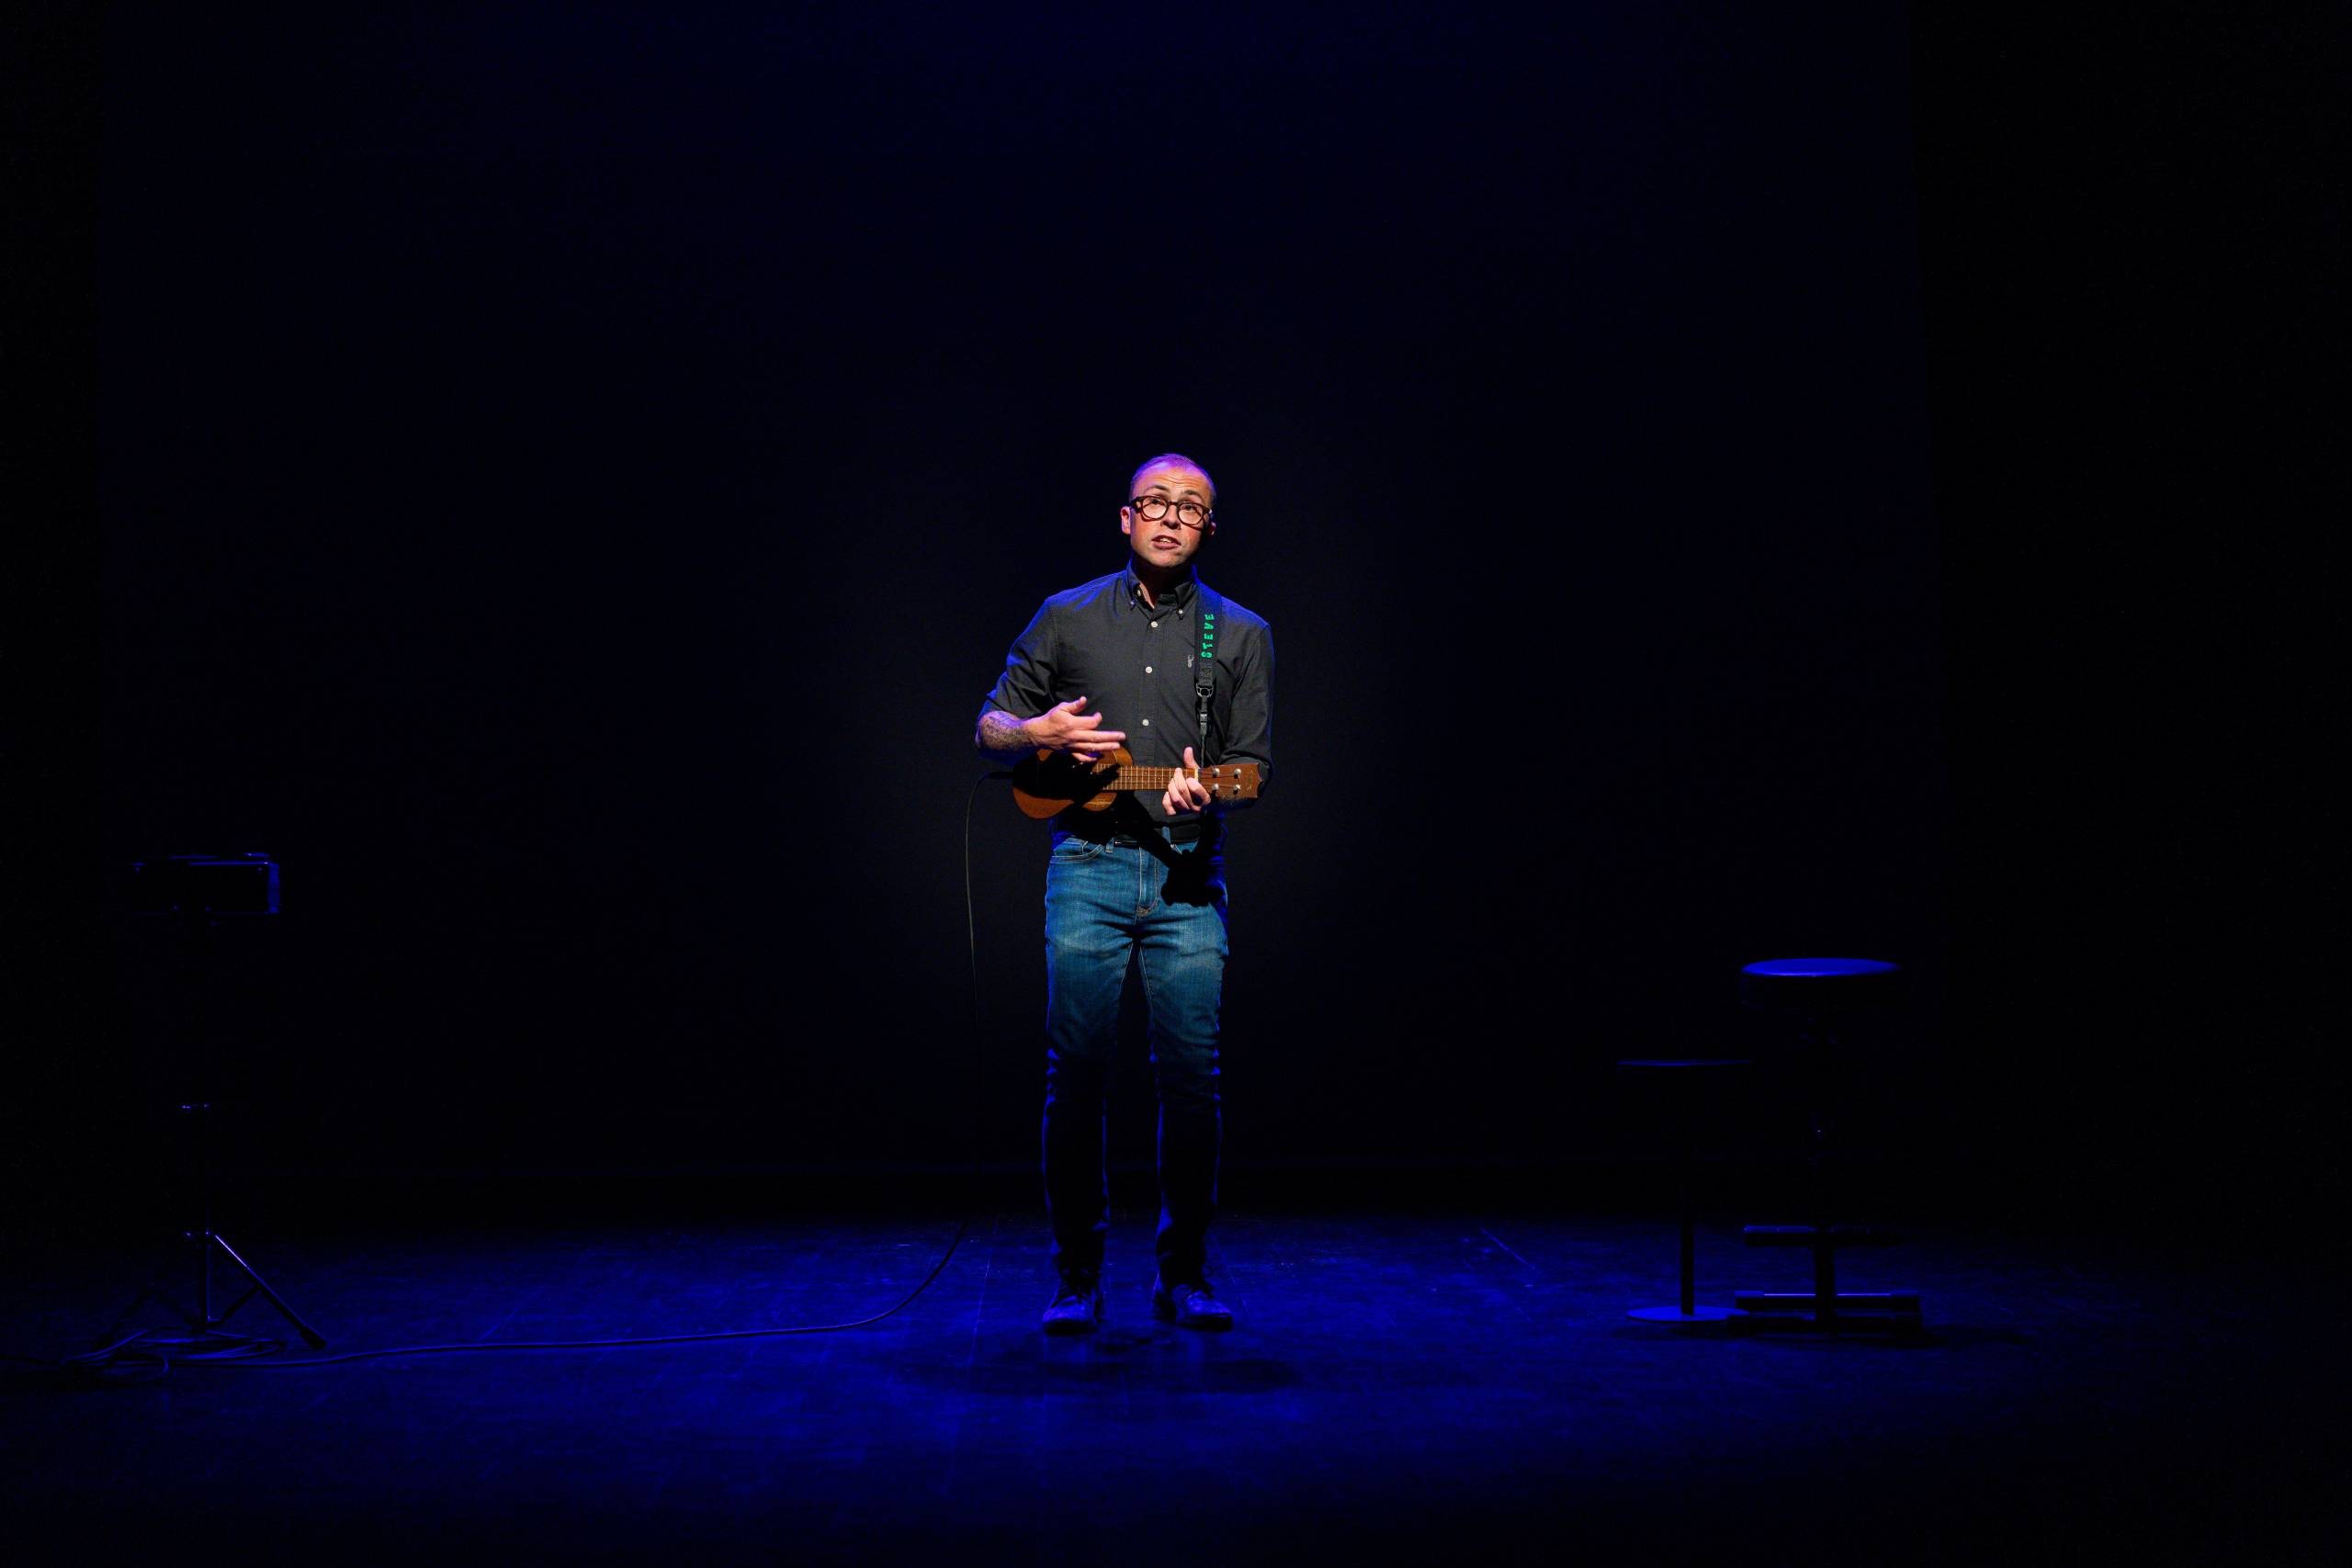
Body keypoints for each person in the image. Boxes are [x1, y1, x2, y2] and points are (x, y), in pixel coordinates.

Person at [974, 453, 1274, 1334]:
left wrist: (1207, 788)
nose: (1172, 516)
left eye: (1192, 507)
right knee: (1076, 1078)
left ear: (1209, 529)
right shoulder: (1064, 616)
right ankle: (1077, 1274)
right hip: (1088, 868)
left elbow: (1252, 770)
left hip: (1187, 875)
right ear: (1126, 517)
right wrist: (1030, 729)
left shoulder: (1241, 633)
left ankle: (1184, 1274)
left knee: (1191, 1081)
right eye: (1156, 502)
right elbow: (989, 728)